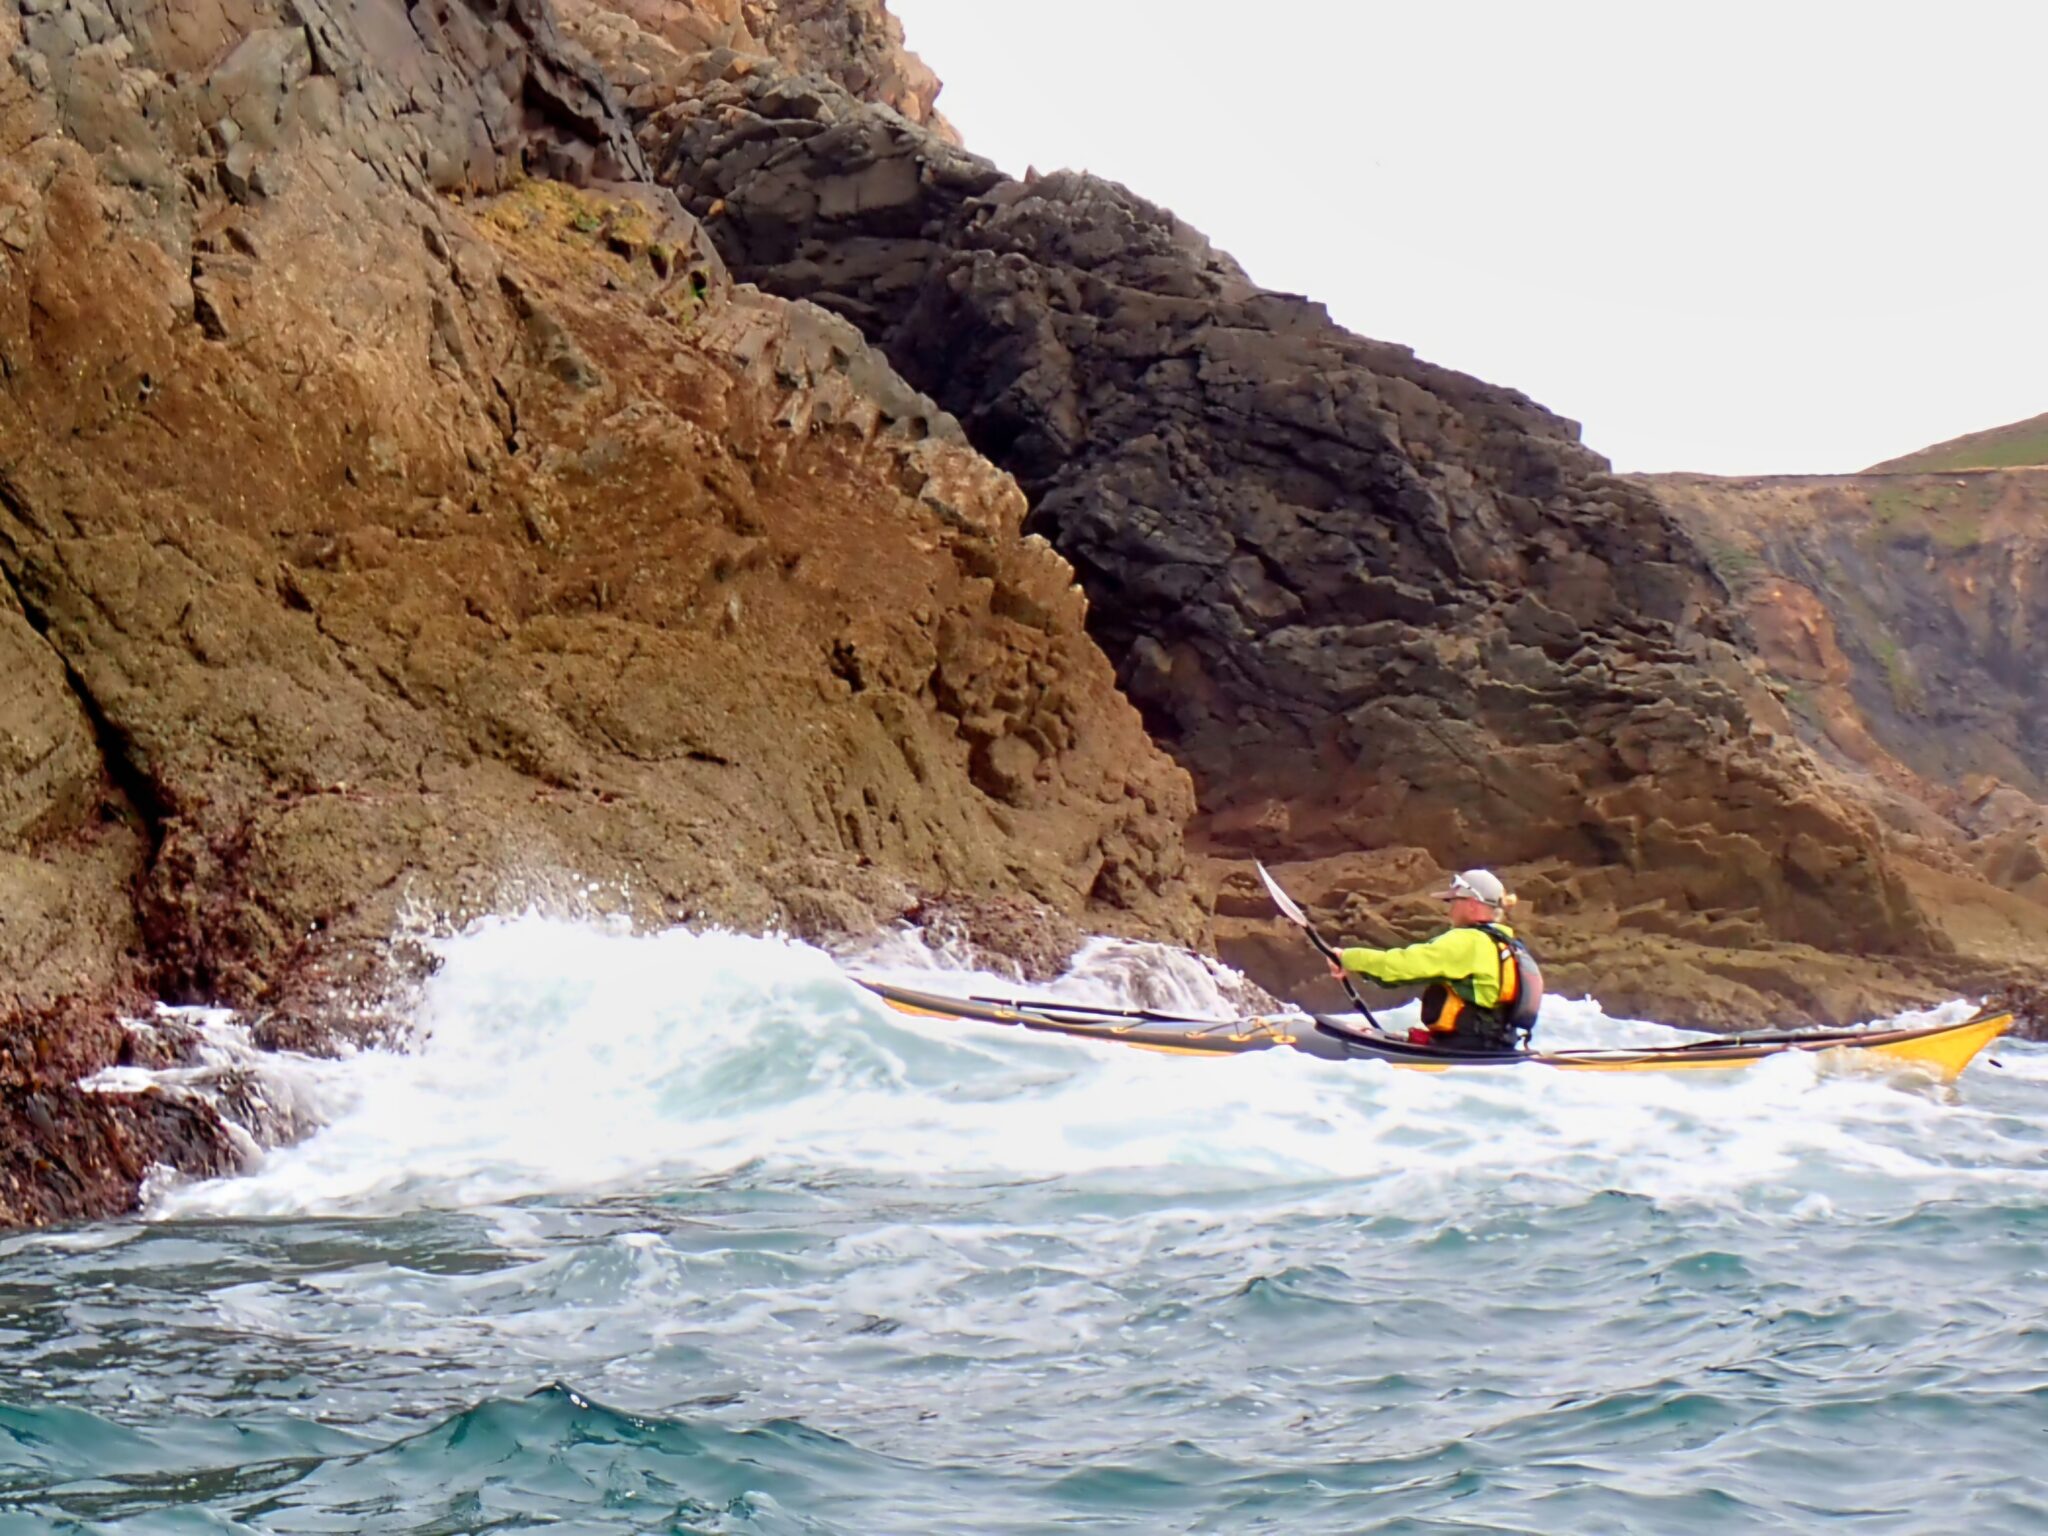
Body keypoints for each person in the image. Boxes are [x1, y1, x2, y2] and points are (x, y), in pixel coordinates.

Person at [1327, 868, 1543, 1052]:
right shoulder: (1507, 942)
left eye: (1454, 901)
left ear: (1472, 904)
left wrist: (1347, 958)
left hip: (1464, 1046)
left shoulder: (1468, 941)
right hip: (1498, 1046)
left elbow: (1401, 966)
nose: (1450, 909)